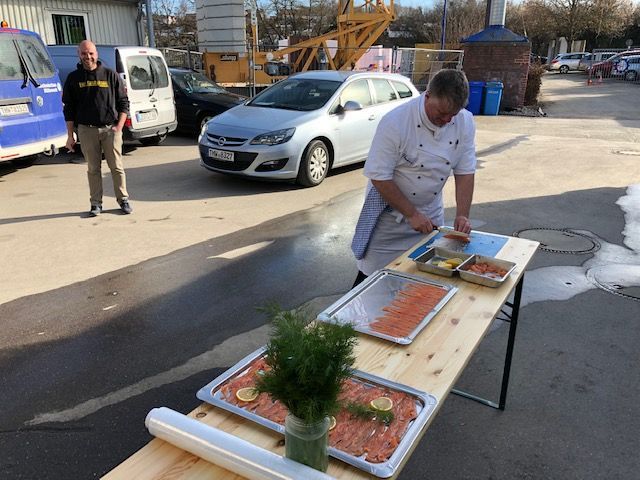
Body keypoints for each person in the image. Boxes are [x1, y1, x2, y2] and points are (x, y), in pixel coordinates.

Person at [351, 69, 477, 286]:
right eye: (441, 113)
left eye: (453, 114)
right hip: (389, 219)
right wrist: (411, 214)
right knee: (372, 281)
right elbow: (379, 176)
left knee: (426, 279)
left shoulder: (465, 122)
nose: (447, 120)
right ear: (427, 96)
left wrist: (462, 215)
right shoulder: (396, 122)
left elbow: (465, 171)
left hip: (431, 213)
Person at [62, 40, 132, 216]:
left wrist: (119, 127)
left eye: (91, 53)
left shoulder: (110, 75)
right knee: (93, 169)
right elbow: (68, 109)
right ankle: (96, 204)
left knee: (116, 167)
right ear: (79, 54)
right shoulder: (73, 78)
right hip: (86, 130)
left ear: (96, 54)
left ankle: (123, 200)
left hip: (111, 129)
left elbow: (124, 103)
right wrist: (71, 136)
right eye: (84, 53)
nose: (88, 57)